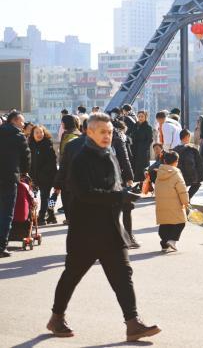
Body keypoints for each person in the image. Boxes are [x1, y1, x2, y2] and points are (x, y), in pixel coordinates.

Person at [47, 112, 160, 341]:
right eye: (102, 132)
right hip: (86, 230)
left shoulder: (110, 154)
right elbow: (85, 193)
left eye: (109, 132)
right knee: (72, 275)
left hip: (110, 228)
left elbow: (113, 187)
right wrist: (119, 197)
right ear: (89, 132)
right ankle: (56, 318)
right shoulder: (81, 158)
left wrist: (126, 195)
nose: (107, 136)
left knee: (123, 275)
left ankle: (133, 324)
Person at [0, 111, 30, 258]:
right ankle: (1, 246)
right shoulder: (19, 136)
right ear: (14, 121)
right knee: (6, 212)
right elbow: (26, 157)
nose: (23, 125)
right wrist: (23, 172)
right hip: (9, 178)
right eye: (22, 121)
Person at [154, 150, 189, 253]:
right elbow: (182, 190)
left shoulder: (159, 172)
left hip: (161, 204)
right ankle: (172, 240)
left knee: (165, 223)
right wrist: (186, 202)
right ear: (176, 161)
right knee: (181, 222)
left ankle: (164, 244)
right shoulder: (176, 173)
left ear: (164, 161)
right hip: (175, 203)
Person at [53, 120, 87, 224]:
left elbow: (64, 163)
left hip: (72, 178)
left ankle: (71, 218)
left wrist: (58, 182)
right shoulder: (102, 143)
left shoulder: (71, 140)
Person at [112, 120, 137, 248]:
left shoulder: (94, 138)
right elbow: (125, 159)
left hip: (106, 179)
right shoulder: (119, 138)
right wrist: (129, 177)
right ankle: (128, 237)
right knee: (126, 207)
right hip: (119, 177)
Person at [29, 125, 58, 225]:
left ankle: (41, 218)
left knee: (44, 196)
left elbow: (52, 162)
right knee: (34, 197)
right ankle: (51, 216)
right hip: (33, 176)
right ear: (32, 134)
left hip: (46, 176)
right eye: (36, 132)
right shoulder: (30, 145)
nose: (39, 134)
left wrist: (43, 173)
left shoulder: (47, 144)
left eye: (41, 132)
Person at [173, 130, 203, 199]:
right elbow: (190, 163)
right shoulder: (190, 150)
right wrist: (195, 177)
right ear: (187, 136)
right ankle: (186, 199)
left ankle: (183, 199)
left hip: (177, 175)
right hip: (188, 175)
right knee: (197, 184)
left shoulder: (175, 150)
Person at [131, 111, 153, 182]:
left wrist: (144, 147)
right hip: (134, 148)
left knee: (143, 166)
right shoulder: (135, 126)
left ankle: (144, 182)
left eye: (142, 116)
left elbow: (150, 140)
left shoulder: (148, 127)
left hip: (143, 150)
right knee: (134, 165)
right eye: (139, 116)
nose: (140, 118)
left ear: (145, 117)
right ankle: (135, 180)